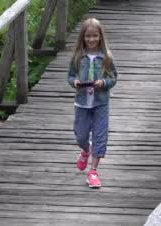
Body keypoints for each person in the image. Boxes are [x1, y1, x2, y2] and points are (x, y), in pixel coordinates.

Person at [67, 18, 118, 188]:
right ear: (83, 37)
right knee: (80, 135)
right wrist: (74, 82)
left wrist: (104, 83)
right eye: (88, 36)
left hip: (100, 103)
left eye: (95, 36)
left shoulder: (106, 58)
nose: (91, 39)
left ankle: (93, 172)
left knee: (99, 136)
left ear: (100, 37)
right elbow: (70, 76)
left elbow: (113, 77)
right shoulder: (77, 57)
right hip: (82, 103)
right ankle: (85, 150)